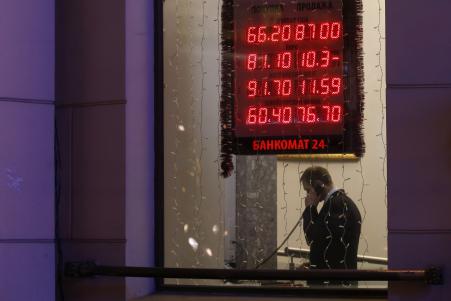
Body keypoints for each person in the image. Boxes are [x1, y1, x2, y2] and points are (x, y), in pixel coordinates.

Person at [300, 166, 362, 284]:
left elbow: (313, 239)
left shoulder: (336, 205)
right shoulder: (339, 202)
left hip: (334, 285)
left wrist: (310, 208)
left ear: (319, 185)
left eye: (308, 190)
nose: (307, 195)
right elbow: (331, 247)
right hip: (338, 281)